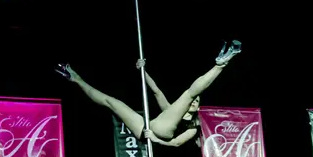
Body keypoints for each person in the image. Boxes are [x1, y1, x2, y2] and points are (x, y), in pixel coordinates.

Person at [56, 41, 241, 147]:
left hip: (159, 134)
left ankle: (220, 65)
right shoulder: (171, 110)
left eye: (196, 102)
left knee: (188, 94)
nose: (193, 103)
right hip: (145, 126)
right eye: (194, 101)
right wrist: (143, 71)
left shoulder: (192, 126)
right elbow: (156, 91)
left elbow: (176, 143)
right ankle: (75, 78)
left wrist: (154, 139)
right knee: (111, 102)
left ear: (198, 107)